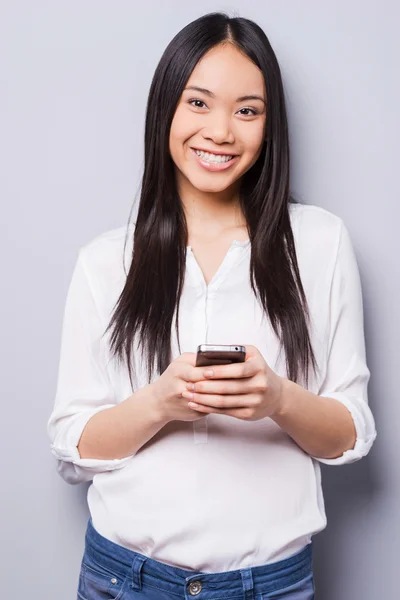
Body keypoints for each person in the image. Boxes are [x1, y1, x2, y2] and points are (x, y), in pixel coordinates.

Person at [47, 11, 377, 600]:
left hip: (270, 585)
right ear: (165, 110)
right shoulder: (105, 260)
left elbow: (351, 434)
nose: (221, 131)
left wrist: (277, 398)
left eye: (247, 110)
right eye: (198, 103)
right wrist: (159, 402)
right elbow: (74, 447)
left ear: (269, 125)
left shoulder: (320, 242)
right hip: (126, 579)